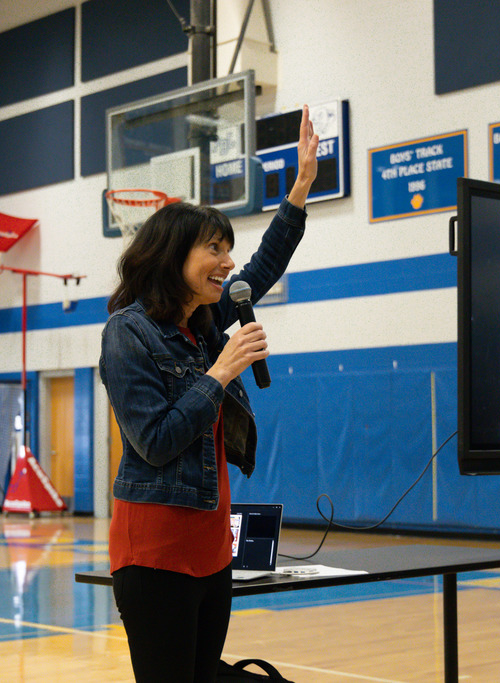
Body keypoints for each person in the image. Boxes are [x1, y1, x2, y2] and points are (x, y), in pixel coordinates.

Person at [99, 105, 318, 682]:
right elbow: (155, 441)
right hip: (155, 554)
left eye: (227, 248)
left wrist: (297, 192)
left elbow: (262, 266)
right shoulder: (128, 333)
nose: (227, 262)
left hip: (212, 548)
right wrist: (218, 374)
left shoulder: (201, 322)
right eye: (214, 250)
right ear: (174, 259)